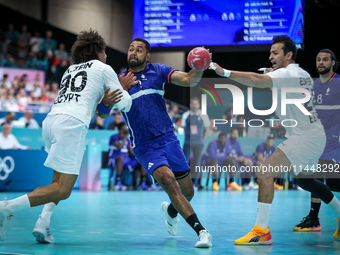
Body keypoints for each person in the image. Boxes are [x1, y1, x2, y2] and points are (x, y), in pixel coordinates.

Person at [0, 29, 135, 243]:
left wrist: (107, 101)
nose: (107, 55)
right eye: (105, 51)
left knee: (58, 181)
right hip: (71, 125)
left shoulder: (71, 69)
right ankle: (5, 208)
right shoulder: (103, 68)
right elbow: (126, 104)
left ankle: (43, 223)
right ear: (97, 51)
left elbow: (101, 110)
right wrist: (123, 90)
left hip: (51, 122)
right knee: (63, 190)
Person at [210, 35, 340, 245]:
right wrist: (275, 76)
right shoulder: (302, 73)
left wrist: (223, 72)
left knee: (265, 170)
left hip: (304, 137)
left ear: (289, 55)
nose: (270, 56)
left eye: (275, 53)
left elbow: (255, 80)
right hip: (315, 135)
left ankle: (261, 231)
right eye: (270, 52)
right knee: (304, 180)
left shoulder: (286, 73)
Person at [118, 38, 212, 248]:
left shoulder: (158, 70)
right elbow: (102, 108)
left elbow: (189, 79)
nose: (134, 52)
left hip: (168, 139)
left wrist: (200, 65)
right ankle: (202, 231)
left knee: (187, 192)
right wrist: (120, 88)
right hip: (145, 145)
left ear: (147, 56)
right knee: (168, 180)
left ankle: (170, 212)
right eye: (131, 48)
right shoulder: (119, 80)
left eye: (139, 50)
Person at [293, 48, 340, 232]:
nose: (321, 62)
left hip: (334, 143)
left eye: (325, 60)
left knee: (332, 183)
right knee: (313, 178)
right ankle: (313, 218)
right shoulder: (313, 86)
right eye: (318, 59)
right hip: (316, 142)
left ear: (333, 63)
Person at [181, 97, 210, 190]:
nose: (194, 106)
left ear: (199, 105)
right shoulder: (185, 115)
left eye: (196, 104)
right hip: (187, 143)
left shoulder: (204, 115)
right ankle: (183, 184)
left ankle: (194, 184)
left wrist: (202, 139)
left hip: (199, 144)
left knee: (197, 164)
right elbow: (184, 128)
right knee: (184, 163)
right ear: (190, 105)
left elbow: (207, 129)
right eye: (192, 104)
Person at [108, 122, 139, 191]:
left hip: (125, 160)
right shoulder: (114, 137)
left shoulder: (128, 140)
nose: (126, 129)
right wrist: (125, 137)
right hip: (114, 159)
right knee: (121, 158)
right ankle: (117, 182)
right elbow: (120, 147)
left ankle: (142, 183)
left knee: (140, 160)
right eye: (124, 128)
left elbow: (131, 152)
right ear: (120, 129)